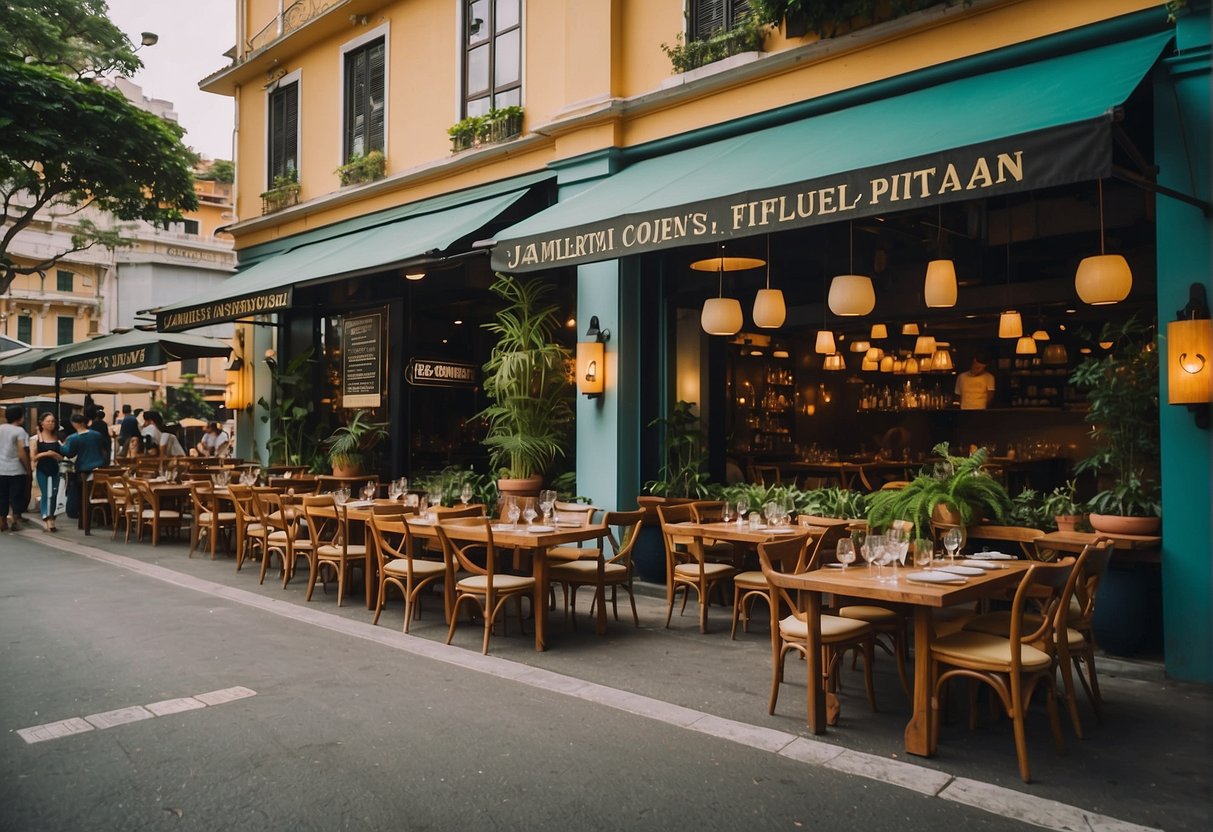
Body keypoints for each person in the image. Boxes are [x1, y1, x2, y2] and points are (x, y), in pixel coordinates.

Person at [62, 412, 109, 521]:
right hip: (100, 469)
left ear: (74, 424)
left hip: (83, 469)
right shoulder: (97, 435)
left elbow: (69, 453)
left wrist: (61, 446)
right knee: (98, 492)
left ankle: (82, 514)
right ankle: (99, 515)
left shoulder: (73, 438)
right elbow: (105, 448)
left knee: (81, 492)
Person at [29, 412, 64, 533]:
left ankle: (52, 516)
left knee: (54, 494)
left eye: (53, 421)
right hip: (42, 469)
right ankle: (46, 516)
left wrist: (54, 454)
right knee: (45, 493)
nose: (51, 423)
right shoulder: (35, 439)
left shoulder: (58, 438)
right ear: (42, 423)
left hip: (55, 468)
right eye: (48, 421)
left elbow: (63, 457)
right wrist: (47, 453)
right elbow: (33, 457)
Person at [0, 405, 32, 532]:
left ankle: (2, 521)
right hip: (16, 470)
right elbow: (21, 452)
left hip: (0, 469)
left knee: (1, 495)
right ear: (21, 417)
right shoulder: (19, 431)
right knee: (16, 496)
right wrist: (28, 468)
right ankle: (14, 520)